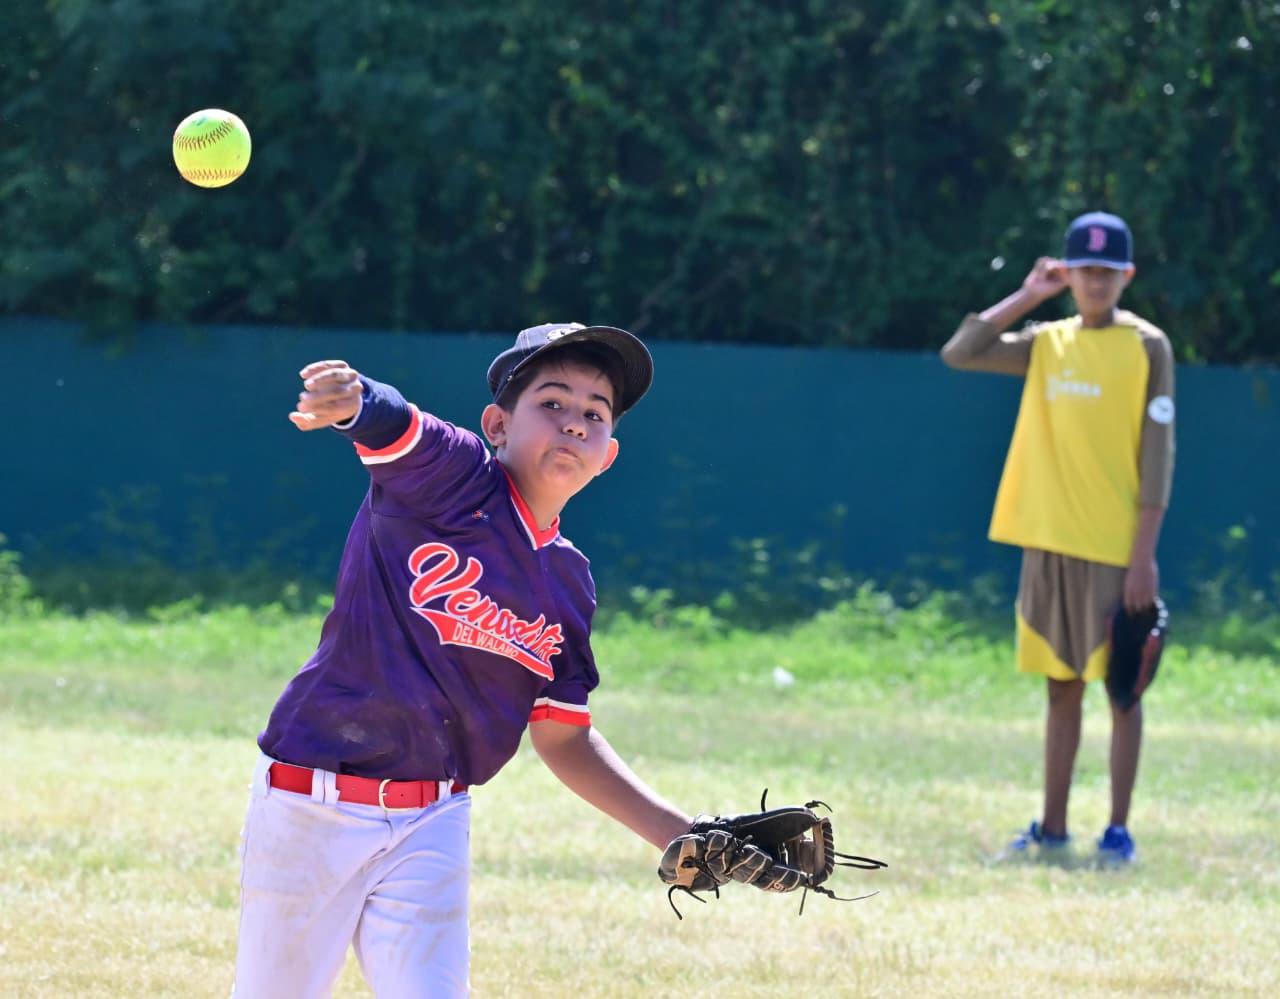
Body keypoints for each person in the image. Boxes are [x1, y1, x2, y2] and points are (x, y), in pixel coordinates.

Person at [232, 324, 695, 997]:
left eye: (593, 414)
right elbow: (397, 424)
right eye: (553, 403)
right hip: (312, 803)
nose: (572, 425)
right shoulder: (456, 479)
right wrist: (356, 399)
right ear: (498, 424)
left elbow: (563, 734)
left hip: (433, 818)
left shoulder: (567, 582)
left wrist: (677, 833)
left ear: (608, 455)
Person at [940, 212, 1175, 866]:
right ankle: (1051, 828)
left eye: (1107, 271)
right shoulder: (1047, 341)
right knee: (1060, 685)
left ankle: (1119, 831)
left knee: (1123, 687)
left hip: (1114, 548)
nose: (1096, 282)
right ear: (1068, 272)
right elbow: (960, 352)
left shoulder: (1148, 346)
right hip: (1047, 541)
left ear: (1126, 275)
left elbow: (1159, 454)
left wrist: (1144, 555)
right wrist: (1029, 294)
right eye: (1084, 269)